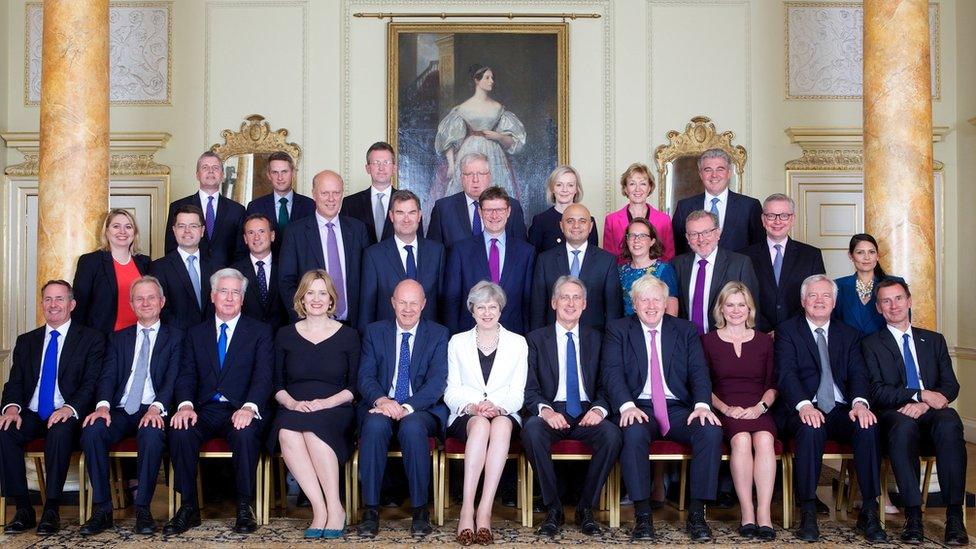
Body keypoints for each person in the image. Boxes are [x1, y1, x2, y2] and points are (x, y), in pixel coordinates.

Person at [602, 275, 722, 542]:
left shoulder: (685, 329)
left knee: (710, 430)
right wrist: (626, 406)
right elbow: (611, 373)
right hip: (639, 405)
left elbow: (699, 372)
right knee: (631, 432)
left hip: (678, 407)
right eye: (644, 299)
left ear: (666, 303)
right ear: (634, 304)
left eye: (657, 299)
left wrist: (702, 405)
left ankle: (696, 514)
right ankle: (643, 517)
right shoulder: (618, 329)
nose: (651, 305)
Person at [775, 274, 886, 543]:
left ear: (835, 302)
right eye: (813, 295)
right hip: (802, 407)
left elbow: (859, 373)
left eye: (826, 296)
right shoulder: (788, 331)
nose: (819, 301)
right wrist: (804, 405)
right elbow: (786, 374)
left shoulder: (849, 334)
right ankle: (809, 511)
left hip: (840, 408)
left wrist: (859, 403)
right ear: (803, 300)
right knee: (811, 429)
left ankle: (869, 510)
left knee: (867, 425)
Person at [165, 269, 273, 536]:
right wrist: (186, 405)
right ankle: (188, 506)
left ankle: (244, 507)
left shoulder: (259, 332)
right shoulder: (195, 333)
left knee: (246, 434)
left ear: (242, 298)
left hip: (240, 407)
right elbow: (186, 374)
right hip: (203, 408)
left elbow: (264, 376)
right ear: (212, 296)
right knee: (180, 430)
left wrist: (249, 407)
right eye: (223, 291)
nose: (229, 297)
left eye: (236, 292)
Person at [862, 279, 968, 545]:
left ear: (909, 301)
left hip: (931, 411)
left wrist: (923, 403)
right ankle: (913, 516)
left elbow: (950, 385)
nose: (893, 306)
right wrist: (918, 394)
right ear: (878, 307)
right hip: (894, 412)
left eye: (898, 298)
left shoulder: (933, 340)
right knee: (904, 427)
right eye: (886, 301)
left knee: (950, 423)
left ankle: (954, 517)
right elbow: (876, 391)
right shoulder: (871, 344)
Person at [78, 276, 182, 535]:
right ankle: (102, 509)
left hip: (154, 408)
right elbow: (108, 376)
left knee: (151, 434)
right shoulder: (118, 339)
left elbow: (173, 379)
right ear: (132, 305)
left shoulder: (176, 337)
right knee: (92, 431)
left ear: (162, 301)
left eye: (151, 297)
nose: (146, 303)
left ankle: (143, 509)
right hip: (121, 410)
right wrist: (102, 406)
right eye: (139, 298)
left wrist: (157, 407)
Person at [0, 280, 105, 535]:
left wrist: (70, 408)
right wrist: (12, 408)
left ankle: (52, 509)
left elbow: (91, 384)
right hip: (33, 412)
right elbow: (14, 382)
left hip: (68, 412)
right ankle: (23, 509)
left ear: (72, 304)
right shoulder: (27, 341)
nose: (53, 305)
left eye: (59, 299)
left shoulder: (90, 338)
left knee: (59, 430)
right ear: (42, 304)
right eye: (48, 299)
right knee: (5, 430)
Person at [522, 276, 621, 538]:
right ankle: (553, 508)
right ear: (554, 302)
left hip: (587, 410)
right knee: (531, 430)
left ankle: (585, 508)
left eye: (576, 297)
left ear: (585, 304)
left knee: (612, 435)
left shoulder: (598, 338)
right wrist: (546, 411)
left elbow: (606, 384)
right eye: (564, 297)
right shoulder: (535, 339)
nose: (570, 302)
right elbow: (530, 390)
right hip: (552, 410)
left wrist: (599, 409)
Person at [269, 269, 360, 539]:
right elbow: (276, 385)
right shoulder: (284, 334)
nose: (317, 299)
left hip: (335, 407)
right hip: (294, 405)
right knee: (287, 432)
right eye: (311, 293)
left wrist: (325, 403)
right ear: (302, 298)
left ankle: (336, 506)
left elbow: (354, 387)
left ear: (331, 298)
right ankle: (320, 509)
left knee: (313, 429)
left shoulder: (349, 335)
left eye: (322, 293)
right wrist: (293, 404)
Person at [356, 280, 449, 538]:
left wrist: (407, 406)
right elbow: (365, 376)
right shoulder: (375, 332)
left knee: (412, 427)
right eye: (402, 302)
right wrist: (383, 401)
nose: (408, 309)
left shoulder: (439, 333)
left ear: (423, 304)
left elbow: (437, 381)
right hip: (382, 404)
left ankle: (420, 510)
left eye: (414, 303)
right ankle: (371, 510)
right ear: (392, 303)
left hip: (420, 407)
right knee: (373, 426)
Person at [444, 281, 528, 545]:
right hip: (466, 414)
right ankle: (467, 510)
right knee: (480, 425)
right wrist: (471, 407)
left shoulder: (518, 343)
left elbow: (519, 392)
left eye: (493, 306)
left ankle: (485, 512)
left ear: (501, 310)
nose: (487, 312)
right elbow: (451, 391)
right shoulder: (457, 342)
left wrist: (499, 407)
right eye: (481, 306)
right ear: (472, 310)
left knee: (501, 425)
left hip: (504, 411)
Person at [702, 282, 777, 540]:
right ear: (721, 308)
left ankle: (764, 514)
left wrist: (759, 408)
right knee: (743, 440)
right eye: (730, 304)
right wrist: (726, 409)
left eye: (741, 305)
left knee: (765, 439)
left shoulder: (764, 342)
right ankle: (747, 513)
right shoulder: (708, 341)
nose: (736, 310)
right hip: (724, 409)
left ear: (749, 309)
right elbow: (703, 385)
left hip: (758, 409)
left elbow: (773, 385)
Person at [278, 169, 368, 327]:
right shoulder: (295, 232)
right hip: (311, 326)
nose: (331, 199)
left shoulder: (358, 229)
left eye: (336, 192)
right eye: (325, 193)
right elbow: (286, 282)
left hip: (353, 327)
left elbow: (367, 280)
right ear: (313, 194)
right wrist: (304, 320)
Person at [443, 186, 535, 335]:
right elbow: (452, 300)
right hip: (470, 336)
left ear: (508, 211)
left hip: (513, 335)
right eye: (488, 210)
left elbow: (528, 302)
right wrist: (454, 338)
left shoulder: (526, 252)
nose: (494, 215)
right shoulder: (461, 251)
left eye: (500, 210)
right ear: (480, 212)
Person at [435, 63, 526, 202]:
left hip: (494, 154)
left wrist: (499, 136)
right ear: (477, 80)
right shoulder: (463, 108)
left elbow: (514, 140)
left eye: (492, 78)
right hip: (468, 151)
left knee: (495, 193)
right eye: (487, 77)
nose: (492, 81)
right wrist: (452, 166)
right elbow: (449, 139)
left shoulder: (498, 107)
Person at [359, 190, 445, 331]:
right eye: (400, 213)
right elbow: (367, 308)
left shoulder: (437, 251)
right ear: (391, 216)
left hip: (429, 339)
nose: (406, 219)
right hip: (386, 339)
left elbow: (442, 302)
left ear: (419, 215)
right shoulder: (374, 255)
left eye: (411, 212)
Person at [530, 204, 622, 332]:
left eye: (582, 221)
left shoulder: (607, 261)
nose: (576, 226)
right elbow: (537, 310)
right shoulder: (544, 260)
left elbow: (613, 311)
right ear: (561, 226)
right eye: (570, 221)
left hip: (595, 342)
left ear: (590, 227)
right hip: (552, 341)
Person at [741, 194, 825, 333]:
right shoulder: (744, 256)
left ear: (792, 219)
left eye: (784, 216)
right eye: (771, 216)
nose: (777, 221)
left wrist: (786, 331)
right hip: (756, 334)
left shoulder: (811, 255)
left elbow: (816, 299)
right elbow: (742, 297)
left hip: (798, 334)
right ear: (763, 219)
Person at [672, 210, 759, 335]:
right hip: (687, 342)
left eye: (706, 232)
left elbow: (752, 308)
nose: (701, 239)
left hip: (726, 343)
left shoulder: (740, 263)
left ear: (718, 233)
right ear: (687, 238)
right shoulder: (677, 264)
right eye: (694, 234)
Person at [72, 209, 152, 334]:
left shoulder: (145, 263)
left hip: (139, 337)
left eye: (128, 227)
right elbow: (79, 307)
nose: (122, 231)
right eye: (116, 226)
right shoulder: (91, 262)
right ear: (107, 231)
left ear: (134, 232)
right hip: (102, 339)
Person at [671, 149, 763, 255]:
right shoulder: (684, 207)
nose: (714, 175)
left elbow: (758, 249)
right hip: (696, 270)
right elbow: (678, 249)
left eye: (720, 169)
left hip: (737, 271)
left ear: (729, 173)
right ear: (701, 174)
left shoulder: (750, 206)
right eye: (708, 170)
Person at [426, 152, 527, 249]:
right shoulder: (443, 208)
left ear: (489, 177)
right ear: (461, 178)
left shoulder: (512, 206)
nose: (475, 180)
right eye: (469, 174)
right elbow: (433, 254)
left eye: (481, 174)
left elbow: (522, 251)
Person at [165, 151, 246, 268]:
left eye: (215, 168)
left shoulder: (237, 210)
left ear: (222, 175)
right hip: (188, 276)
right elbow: (171, 248)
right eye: (205, 167)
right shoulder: (177, 206)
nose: (210, 171)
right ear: (197, 175)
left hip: (225, 279)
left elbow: (241, 252)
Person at [151, 204, 216, 330]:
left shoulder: (216, 267)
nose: (187, 231)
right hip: (176, 340)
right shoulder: (159, 267)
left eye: (193, 226)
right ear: (174, 230)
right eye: (181, 226)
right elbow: (159, 308)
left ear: (202, 231)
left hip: (210, 339)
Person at [602, 163, 675, 263]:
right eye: (632, 184)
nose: (638, 189)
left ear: (650, 188)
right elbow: (608, 259)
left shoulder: (664, 220)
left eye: (643, 184)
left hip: (656, 277)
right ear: (625, 189)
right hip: (621, 276)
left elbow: (669, 257)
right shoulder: (612, 220)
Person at [834, 233, 905, 335]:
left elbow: (903, 323)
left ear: (877, 255)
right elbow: (833, 325)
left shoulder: (895, 284)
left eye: (871, 252)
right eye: (860, 252)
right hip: (848, 349)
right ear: (851, 256)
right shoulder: (837, 286)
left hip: (885, 348)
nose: (867, 257)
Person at [244, 151, 315, 250]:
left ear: (293, 173)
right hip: (268, 264)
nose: (280, 178)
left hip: (301, 265)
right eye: (275, 172)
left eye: (284, 172)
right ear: (269, 175)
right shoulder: (255, 206)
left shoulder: (309, 205)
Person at [230, 214, 290, 333]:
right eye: (251, 233)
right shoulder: (234, 271)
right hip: (247, 339)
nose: (256, 237)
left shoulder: (287, 267)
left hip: (281, 338)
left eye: (262, 231)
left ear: (272, 236)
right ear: (245, 239)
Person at [527, 165, 598, 253]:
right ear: (552, 188)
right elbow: (533, 259)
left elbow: (594, 258)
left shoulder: (588, 221)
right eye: (559, 185)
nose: (564, 190)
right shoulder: (540, 221)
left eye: (570, 185)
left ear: (576, 189)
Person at [618, 217, 679, 316]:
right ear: (627, 240)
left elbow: (672, 312)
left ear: (652, 241)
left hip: (656, 330)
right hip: (624, 329)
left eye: (643, 236)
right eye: (632, 235)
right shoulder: (620, 271)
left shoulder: (664, 269)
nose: (637, 240)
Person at [341, 142, 398, 245]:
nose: (381, 168)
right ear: (367, 168)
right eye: (376, 163)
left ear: (394, 168)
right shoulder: (350, 204)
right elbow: (344, 242)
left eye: (386, 162)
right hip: (362, 260)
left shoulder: (408, 202)